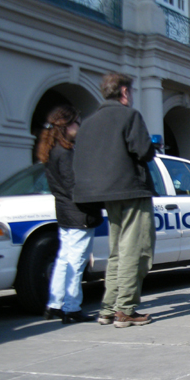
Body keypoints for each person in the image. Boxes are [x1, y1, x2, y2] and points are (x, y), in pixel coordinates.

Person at [73, 73, 156, 328]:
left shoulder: (88, 122)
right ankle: (125, 309)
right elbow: (143, 151)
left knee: (116, 250)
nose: (130, 96)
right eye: (129, 91)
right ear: (123, 92)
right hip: (131, 189)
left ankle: (108, 308)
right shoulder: (129, 116)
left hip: (105, 194)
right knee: (137, 249)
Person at [37, 106, 102, 324]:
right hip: (79, 213)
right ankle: (71, 308)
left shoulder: (52, 151)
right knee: (76, 261)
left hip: (65, 212)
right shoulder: (65, 153)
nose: (78, 127)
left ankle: (55, 304)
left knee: (64, 258)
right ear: (65, 126)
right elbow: (74, 186)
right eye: (75, 123)